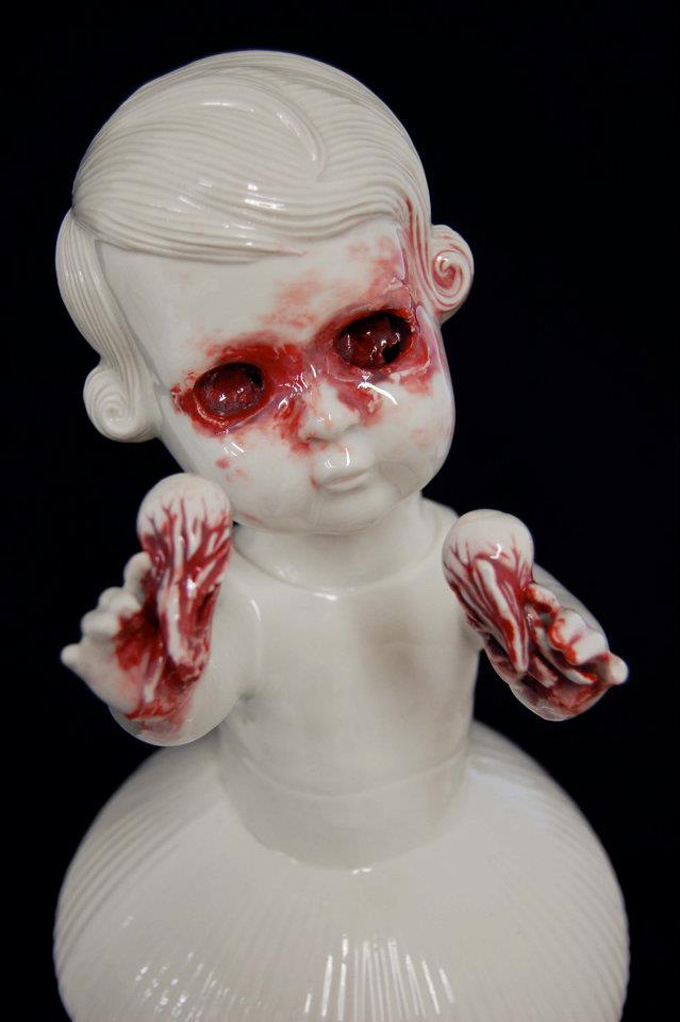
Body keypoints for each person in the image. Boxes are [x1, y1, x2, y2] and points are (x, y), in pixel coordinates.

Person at [55, 51, 628, 1021]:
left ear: (437, 286)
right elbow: (198, 699)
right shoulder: (249, 597)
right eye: (238, 385)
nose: (326, 418)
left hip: (469, 867)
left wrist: (552, 653)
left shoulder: (460, 556)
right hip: (248, 883)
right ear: (138, 402)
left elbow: (552, 677)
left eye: (373, 340)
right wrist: (163, 671)